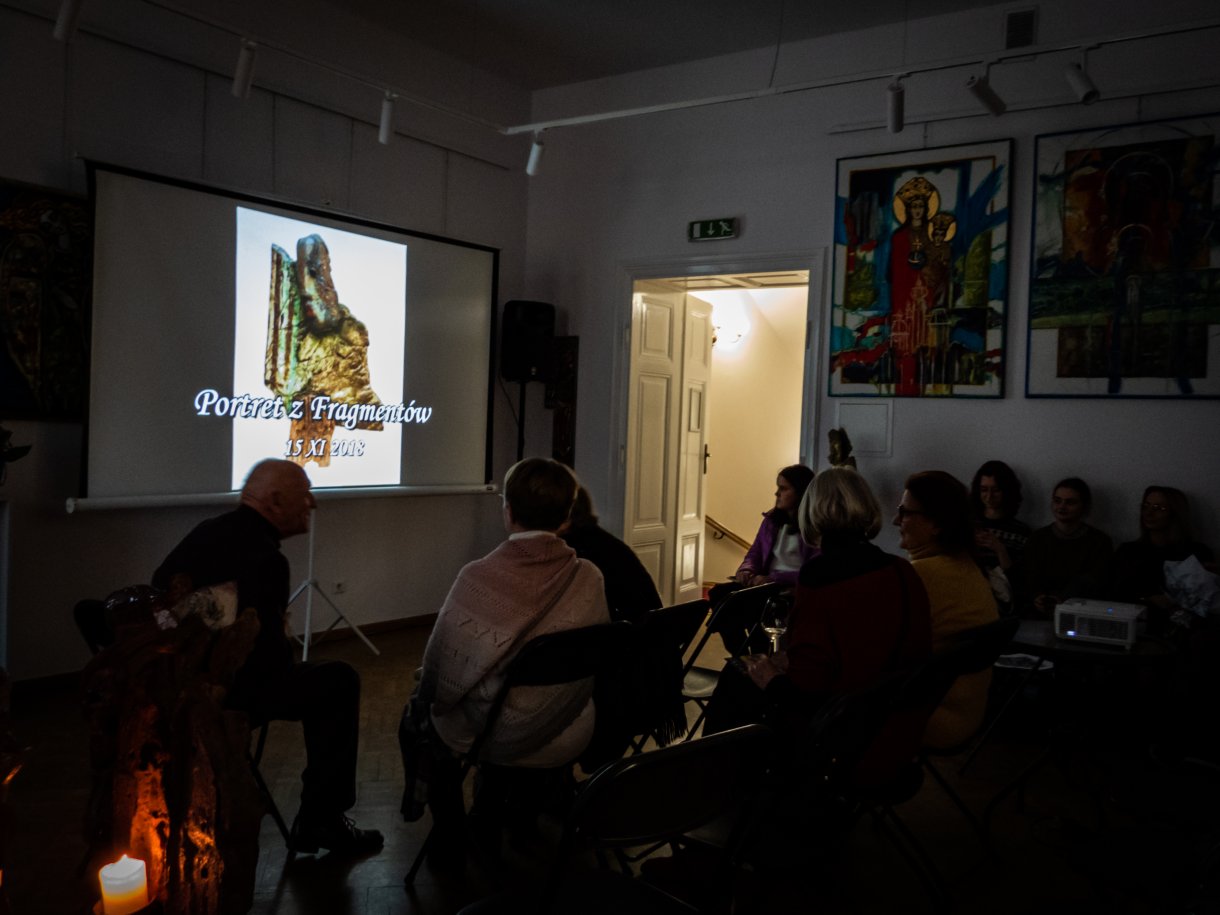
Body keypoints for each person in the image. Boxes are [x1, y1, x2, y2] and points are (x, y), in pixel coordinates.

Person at [152, 458, 383, 855]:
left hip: (172, 686)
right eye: (305, 494)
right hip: (223, 694)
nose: (313, 503)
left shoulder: (207, 532)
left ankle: (321, 819)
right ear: (275, 501)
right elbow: (267, 666)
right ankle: (321, 820)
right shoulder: (264, 559)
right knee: (339, 680)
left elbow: (159, 598)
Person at [416, 458, 611, 855]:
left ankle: (450, 837)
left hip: (503, 734)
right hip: (568, 723)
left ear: (508, 512)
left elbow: (441, 677)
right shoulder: (589, 576)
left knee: (420, 714)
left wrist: (428, 693)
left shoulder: (476, 577)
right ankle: (518, 811)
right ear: (565, 517)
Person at [895, 471, 999, 749]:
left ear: (936, 524)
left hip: (930, 716)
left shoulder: (921, 575)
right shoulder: (965, 565)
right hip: (966, 714)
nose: (896, 521)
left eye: (904, 512)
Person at [708, 464, 817, 654]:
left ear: (801, 492)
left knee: (747, 608)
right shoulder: (772, 521)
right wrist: (746, 570)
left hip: (789, 588)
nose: (777, 494)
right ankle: (740, 655)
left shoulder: (814, 527)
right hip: (765, 583)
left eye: (783, 489)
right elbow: (755, 552)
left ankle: (756, 652)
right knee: (719, 594)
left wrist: (775, 578)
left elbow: (814, 568)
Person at [1110, 486, 1215, 624]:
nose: (1148, 513)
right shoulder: (1129, 551)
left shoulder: (1196, 552)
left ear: (1175, 513)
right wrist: (1148, 598)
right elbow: (1115, 593)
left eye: (1159, 508)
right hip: (1137, 626)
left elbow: (1206, 601)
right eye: (1146, 506)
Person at [561, 486, 662, 623]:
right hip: (653, 630)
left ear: (566, 519)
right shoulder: (606, 542)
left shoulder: (575, 552)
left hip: (627, 637)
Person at [1022, 477, 1113, 619]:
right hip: (1039, 614)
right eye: (1057, 501)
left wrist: (1065, 598)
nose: (1062, 507)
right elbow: (1028, 576)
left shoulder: (1099, 542)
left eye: (1070, 502)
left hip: (1082, 614)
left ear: (1084, 506)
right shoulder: (1037, 539)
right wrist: (1036, 596)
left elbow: (1096, 581)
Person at [969, 460, 1031, 614]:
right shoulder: (968, 524)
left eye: (996, 490)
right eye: (984, 489)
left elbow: (1020, 581)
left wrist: (1000, 549)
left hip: (1004, 604)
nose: (989, 496)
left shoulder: (1021, 532)